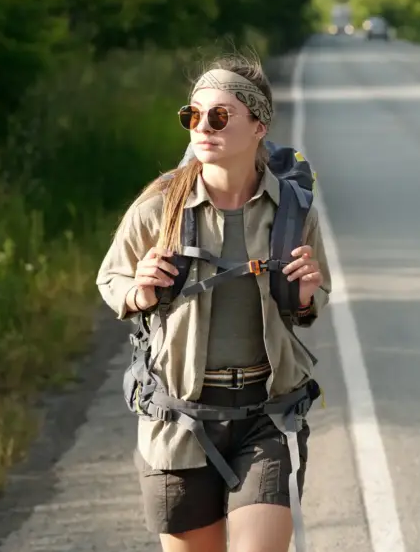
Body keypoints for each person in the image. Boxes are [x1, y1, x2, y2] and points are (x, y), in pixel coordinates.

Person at [95, 53, 331, 552]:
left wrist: (307, 299)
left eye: (220, 116)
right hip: (178, 420)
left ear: (258, 126)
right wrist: (138, 290)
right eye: (193, 115)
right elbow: (110, 279)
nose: (203, 126)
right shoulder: (160, 206)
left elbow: (315, 297)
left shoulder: (292, 210)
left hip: (263, 415)